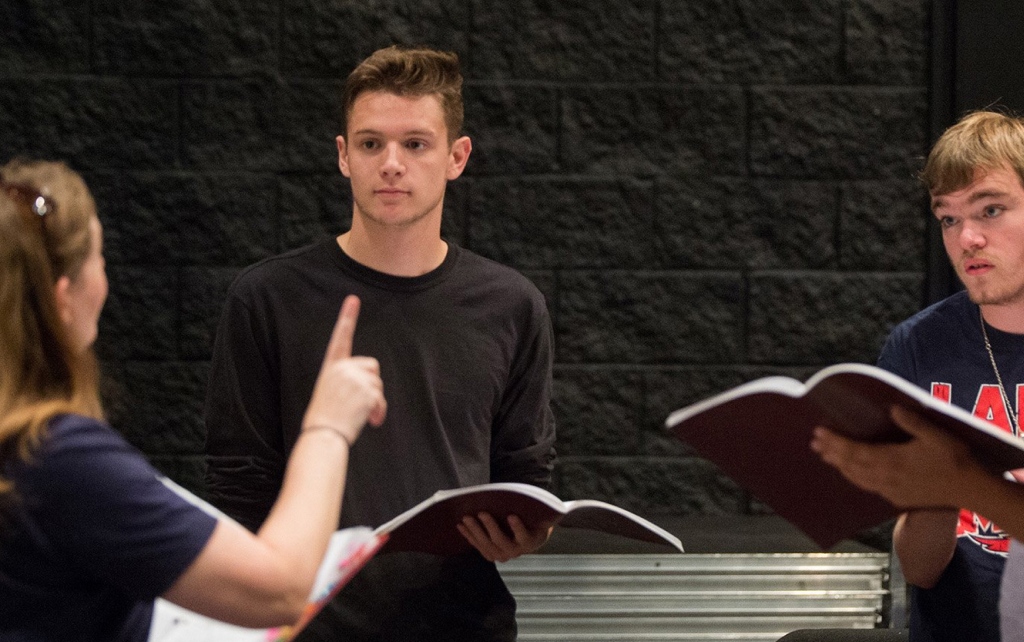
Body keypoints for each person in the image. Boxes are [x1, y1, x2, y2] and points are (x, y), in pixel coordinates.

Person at [204, 45, 557, 641]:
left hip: (464, 626)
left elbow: (528, 473)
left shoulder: (512, 305)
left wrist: (528, 532)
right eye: (370, 144)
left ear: (456, 156)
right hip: (311, 630)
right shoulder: (266, 298)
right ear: (344, 156)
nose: (391, 163)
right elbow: (238, 489)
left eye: (415, 144)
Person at [0, 159, 387, 642]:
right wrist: (328, 426)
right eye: (100, 259)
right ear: (62, 299)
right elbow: (280, 592)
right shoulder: (57, 458)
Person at [810, 110, 1024, 642]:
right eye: (947, 218)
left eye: (990, 209)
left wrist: (963, 478)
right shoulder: (918, 345)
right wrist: (935, 493)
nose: (966, 238)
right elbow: (922, 570)